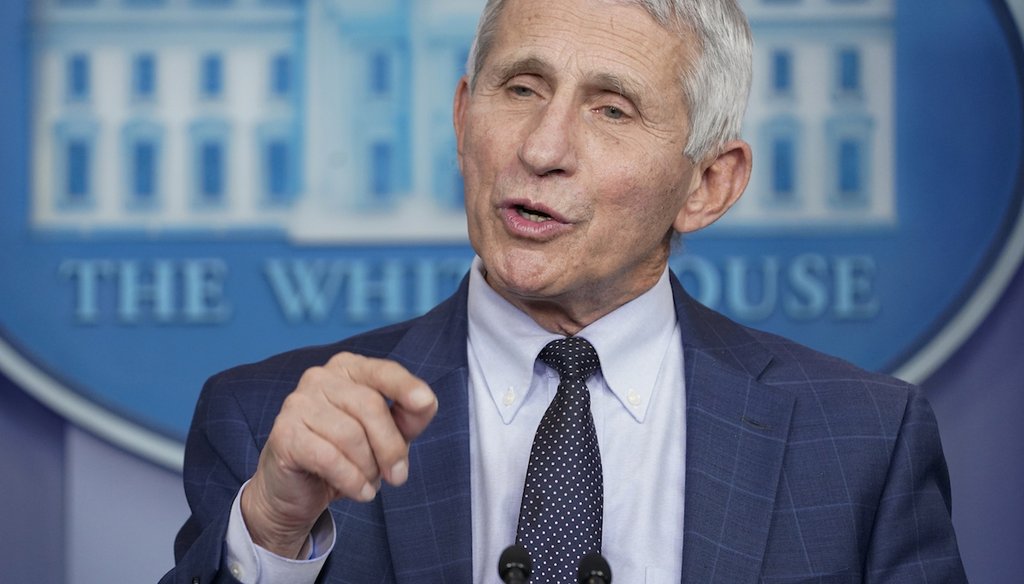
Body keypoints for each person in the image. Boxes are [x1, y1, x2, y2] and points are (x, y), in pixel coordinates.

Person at [162, 0, 967, 582]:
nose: (543, 148)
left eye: (611, 110)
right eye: (520, 89)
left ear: (709, 185)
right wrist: (270, 530)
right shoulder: (267, 424)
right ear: (460, 118)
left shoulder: (864, 443)